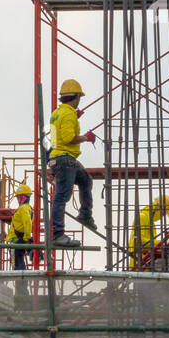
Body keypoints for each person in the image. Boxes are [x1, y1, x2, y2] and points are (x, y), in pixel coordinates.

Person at [47, 79, 97, 248]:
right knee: (61, 196)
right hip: (65, 159)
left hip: (60, 158)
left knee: (86, 180)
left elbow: (56, 136)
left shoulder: (57, 113)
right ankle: (58, 235)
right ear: (75, 97)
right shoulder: (68, 114)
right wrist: (86, 138)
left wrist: (74, 116)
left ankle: (85, 214)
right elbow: (69, 138)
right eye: (79, 98)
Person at [126, 195, 169, 271]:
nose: (161, 217)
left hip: (146, 264)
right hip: (138, 264)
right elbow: (139, 241)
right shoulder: (142, 217)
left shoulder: (150, 222)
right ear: (158, 208)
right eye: (162, 214)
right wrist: (161, 242)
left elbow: (150, 244)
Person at [5, 183, 34, 271]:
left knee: (17, 266)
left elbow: (27, 223)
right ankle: (21, 283)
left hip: (16, 241)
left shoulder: (23, 208)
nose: (18, 199)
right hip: (18, 240)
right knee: (19, 263)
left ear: (24, 197)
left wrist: (26, 238)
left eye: (19, 197)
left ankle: (21, 284)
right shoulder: (27, 208)